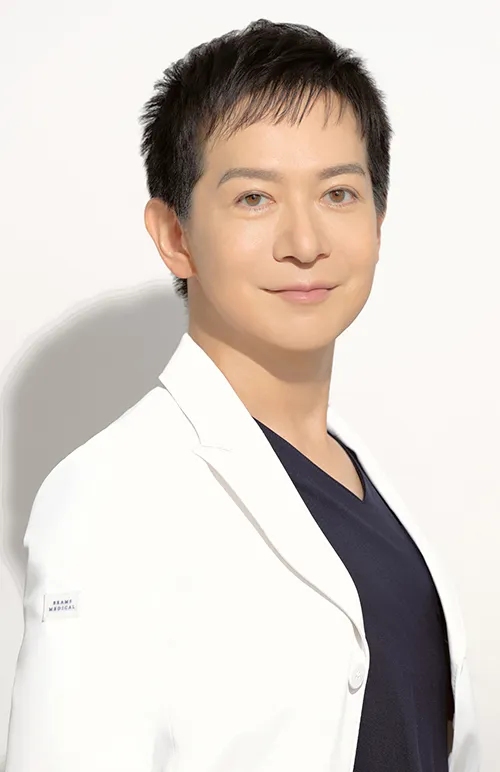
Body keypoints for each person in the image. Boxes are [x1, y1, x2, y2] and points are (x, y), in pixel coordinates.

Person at [5, 18, 480, 772]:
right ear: (175, 235)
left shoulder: (371, 489)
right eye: (255, 198)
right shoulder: (110, 495)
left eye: (339, 193)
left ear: (379, 220)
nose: (305, 242)